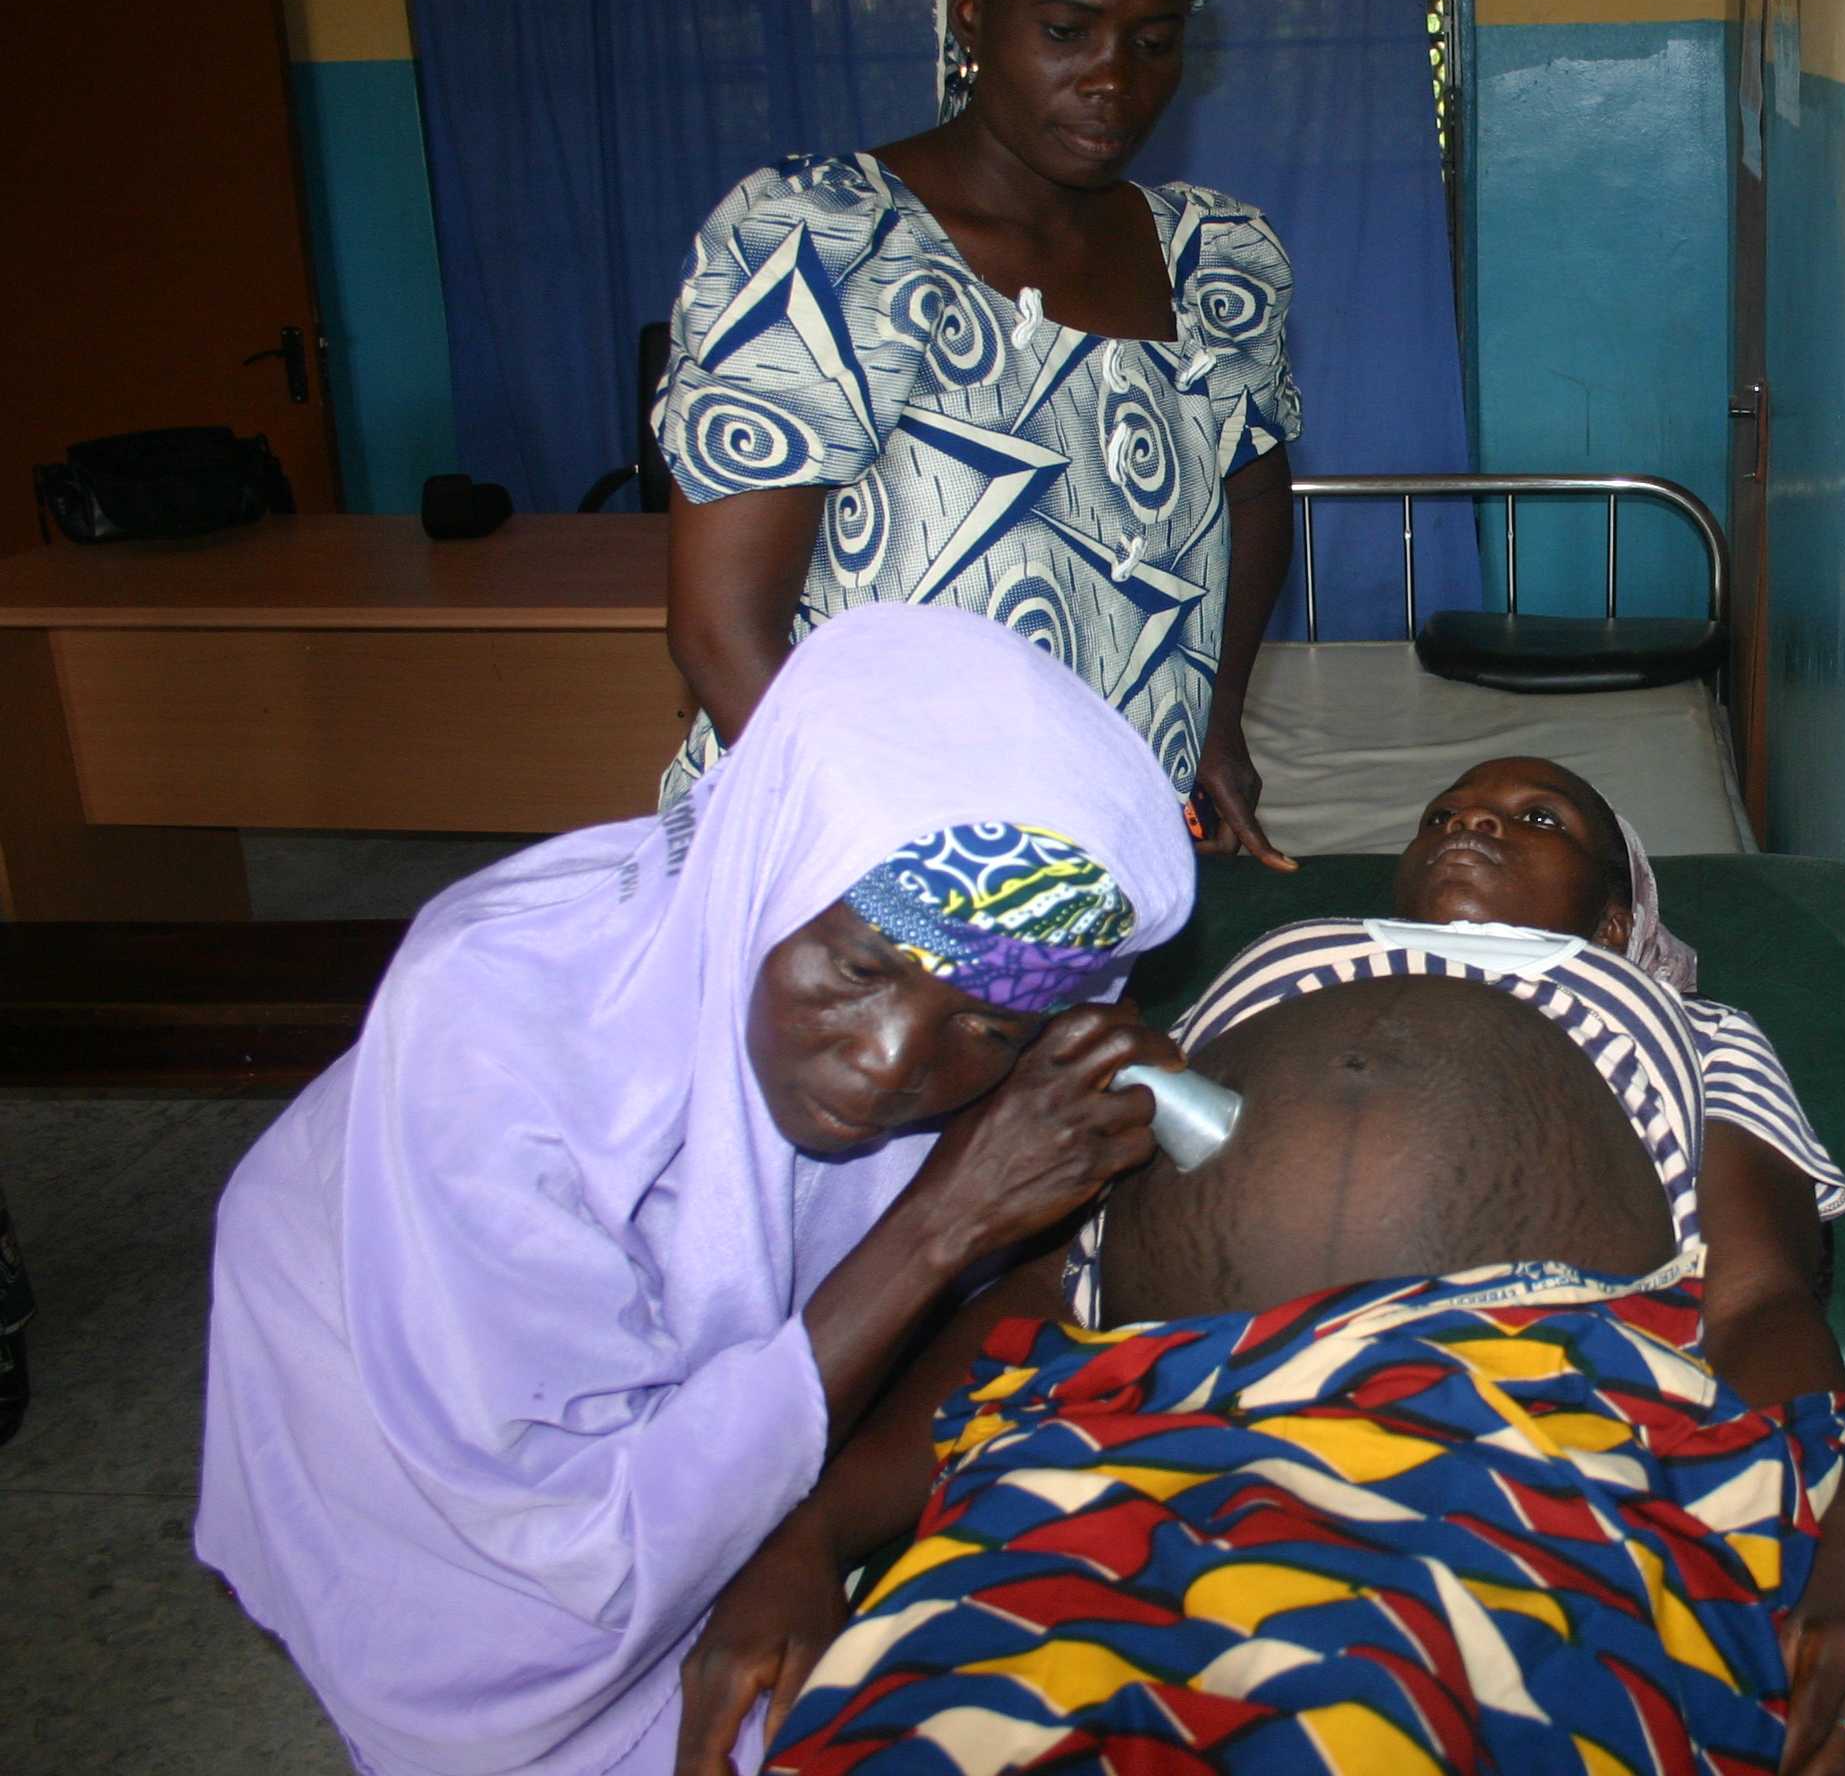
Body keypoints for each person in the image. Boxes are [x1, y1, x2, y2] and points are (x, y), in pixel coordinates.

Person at [679, 757, 1845, 1774]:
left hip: (1511, 1415)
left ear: (1611, 915)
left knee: (1402, 1709)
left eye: (1539, 818)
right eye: (1448, 813)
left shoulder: (1692, 1026)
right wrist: (812, 1530)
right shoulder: (1243, 985)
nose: (1475, 819)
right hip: (1117, 1424)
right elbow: (1043, 1287)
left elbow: (1758, 1295)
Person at [195, 604, 1200, 1776]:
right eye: (861, 969)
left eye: (986, 1023)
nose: (886, 1064)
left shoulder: (952, 1015)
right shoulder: (494, 1031)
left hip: (731, 1443)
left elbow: (1040, 1284)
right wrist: (941, 1220)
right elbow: (573, 1547)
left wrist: (797, 1530)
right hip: (439, 1445)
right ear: (770, 871)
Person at [655, 0, 1300, 866]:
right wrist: (906, 880)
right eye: (1066, 29)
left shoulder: (1213, 255)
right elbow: (723, 637)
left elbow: (1253, 494)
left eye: (1153, 40)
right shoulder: (825, 239)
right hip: (842, 841)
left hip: (1105, 827)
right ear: (972, 13)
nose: (1113, 80)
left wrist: (1216, 714)